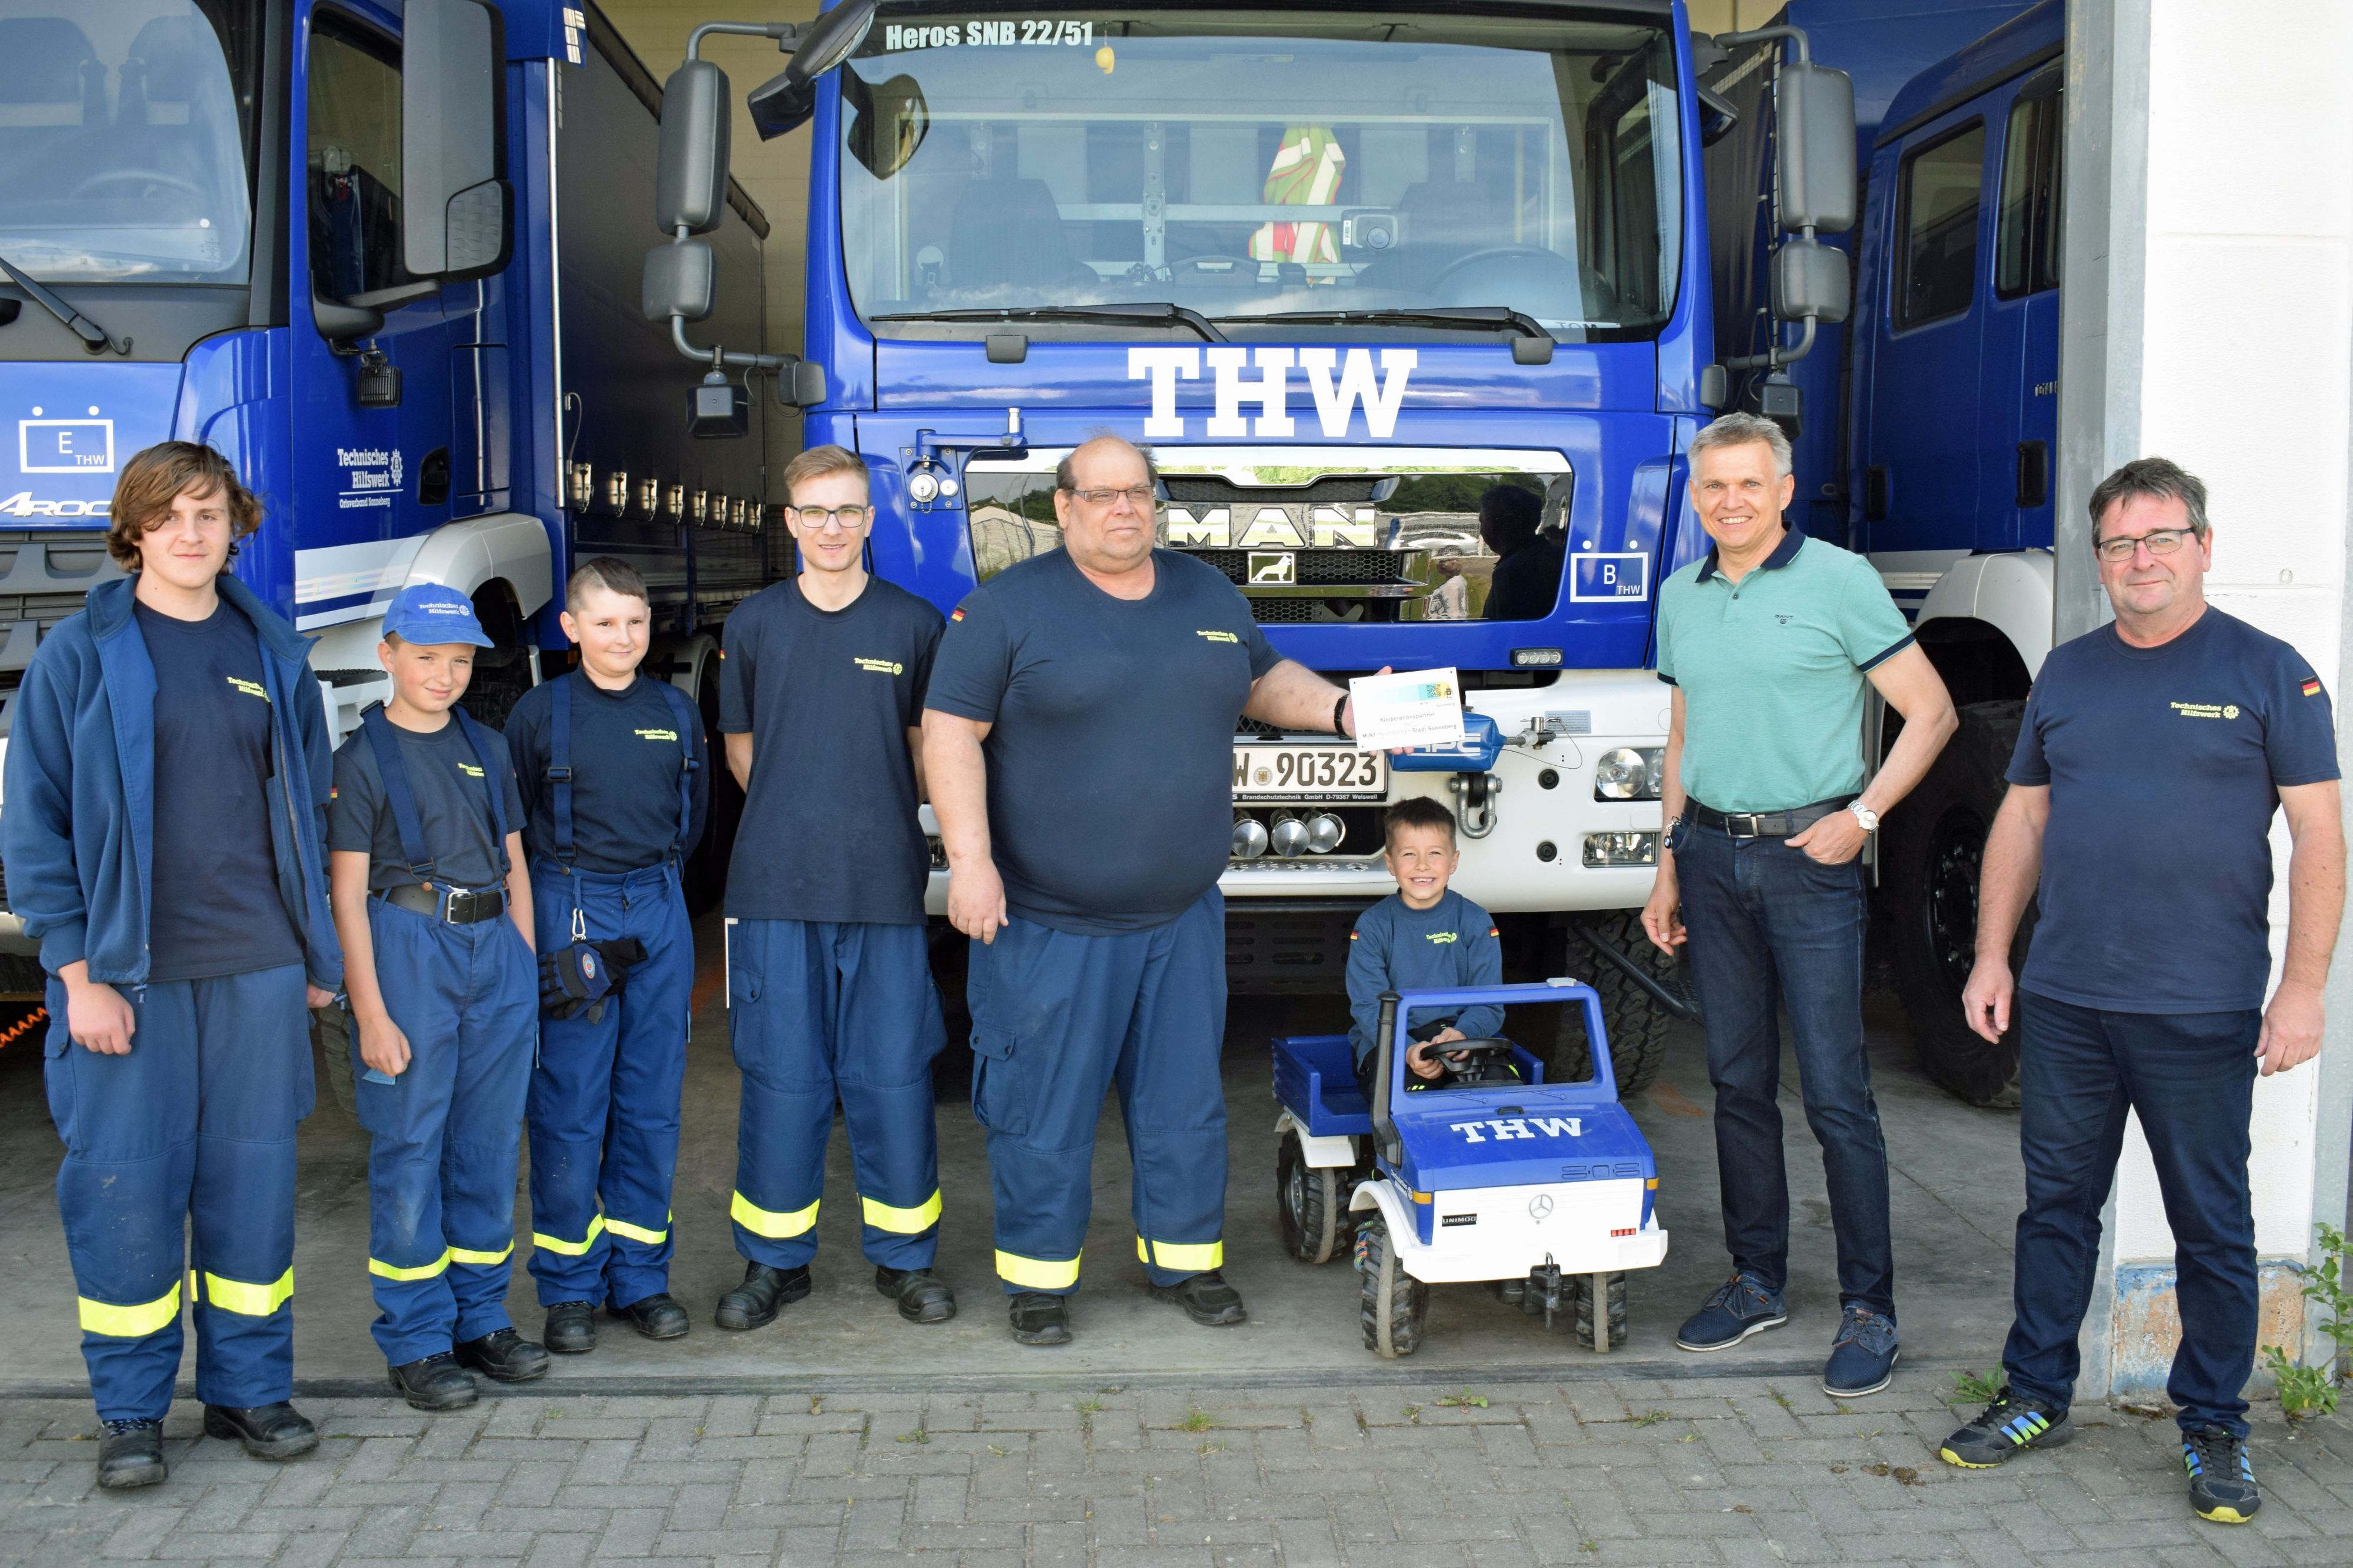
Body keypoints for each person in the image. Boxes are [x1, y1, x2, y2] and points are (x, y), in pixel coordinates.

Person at [1943, 459, 2343, 1525]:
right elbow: (2021, 820)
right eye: (2120, 545)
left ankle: (2214, 1424)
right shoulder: (2067, 676)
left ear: (2204, 545)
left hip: (2201, 1007)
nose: (2141, 561)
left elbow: (2319, 837)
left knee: (2212, 1224)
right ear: (2100, 559)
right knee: (2057, 1209)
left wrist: (2302, 989)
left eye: (2161, 538)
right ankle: (2035, 1394)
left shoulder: (2274, 673)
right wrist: (1993, 956)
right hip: (2070, 998)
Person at [924, 432, 1367, 1347]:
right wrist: (970, 862)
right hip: (1050, 924)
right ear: (1064, 506)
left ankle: (1186, 1263)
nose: (1125, 509)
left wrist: (1342, 708)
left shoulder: (1205, 593)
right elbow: (948, 733)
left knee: (1184, 1108)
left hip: (1179, 918)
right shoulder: (1008, 609)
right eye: (1103, 494)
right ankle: (1041, 1282)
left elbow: (1261, 677)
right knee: (1041, 1110)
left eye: (1139, 492)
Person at [2, 443, 343, 1488]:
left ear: (237, 524)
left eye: (211, 514)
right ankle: (132, 1412)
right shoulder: (81, 652)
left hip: (255, 968)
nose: (192, 534)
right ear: (134, 531)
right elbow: (34, 824)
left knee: (251, 1182)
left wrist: (312, 955)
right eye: (171, 516)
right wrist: (74, 973)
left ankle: (248, 1391)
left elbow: (305, 808)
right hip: (127, 976)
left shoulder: (270, 647)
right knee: (127, 1190)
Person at [1640, 411, 1957, 1398]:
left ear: (1784, 488)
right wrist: (1665, 865)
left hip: (1809, 860)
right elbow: (1682, 730)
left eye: (1748, 484)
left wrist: (1861, 816)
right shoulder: (1680, 595)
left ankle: (1871, 1306)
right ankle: (1757, 1279)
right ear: (1695, 498)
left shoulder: (1842, 581)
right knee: (1738, 1083)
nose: (1729, 501)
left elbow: (1934, 711)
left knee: (1835, 1095)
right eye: (1711, 487)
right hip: (1710, 856)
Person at [712, 445, 956, 1332]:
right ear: (790, 522)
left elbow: (935, 755)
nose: (832, 529)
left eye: (848, 512)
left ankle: (907, 1260)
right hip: (776, 884)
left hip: (884, 885)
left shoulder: (915, 625)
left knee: (891, 1075)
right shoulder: (753, 625)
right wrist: (803, 819)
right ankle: (775, 1262)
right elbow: (744, 754)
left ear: (870, 520)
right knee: (783, 1078)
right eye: (815, 513)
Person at [328, 585, 545, 1411]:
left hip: (495, 949)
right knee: (412, 1148)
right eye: (426, 657)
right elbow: (348, 895)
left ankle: (481, 1318)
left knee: (488, 1144)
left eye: (459, 660)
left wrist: (524, 962)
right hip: (409, 948)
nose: (445, 674)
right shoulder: (361, 759)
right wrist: (372, 1011)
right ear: (387, 654)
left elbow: (514, 858)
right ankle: (417, 1336)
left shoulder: (487, 744)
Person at [504, 558, 708, 1354]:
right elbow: (515, 833)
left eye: (636, 623)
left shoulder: (675, 710)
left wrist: (653, 896)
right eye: (606, 623)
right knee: (570, 1100)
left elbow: (692, 823)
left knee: (651, 1099)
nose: (623, 638)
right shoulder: (537, 713)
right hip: (571, 904)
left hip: (658, 904)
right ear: (571, 629)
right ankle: (569, 1286)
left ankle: (641, 1279)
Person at [1346, 797, 1508, 1100]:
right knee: (1412, 1101)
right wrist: (1406, 1049)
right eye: (1409, 854)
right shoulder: (1373, 926)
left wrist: (1463, 1033)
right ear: (1391, 863)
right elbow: (1369, 1007)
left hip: (1462, 1036)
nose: (1422, 865)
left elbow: (1490, 1002)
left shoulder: (1475, 921)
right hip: (1390, 1039)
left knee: (1501, 1091)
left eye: (1435, 853)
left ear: (1454, 861)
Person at [1478, 485, 1565, 622]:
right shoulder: (1553, 554)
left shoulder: (1513, 571)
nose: (1482, 531)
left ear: (1497, 524)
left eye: (1482, 521)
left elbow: (1507, 634)